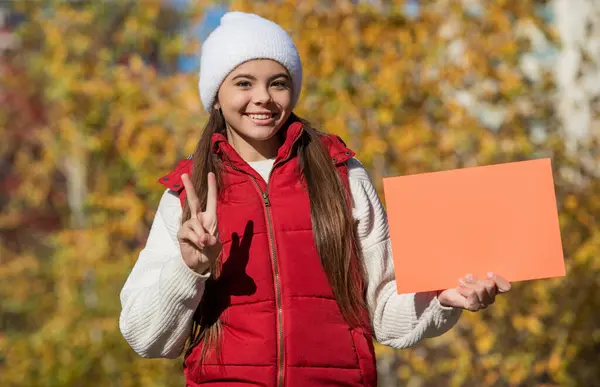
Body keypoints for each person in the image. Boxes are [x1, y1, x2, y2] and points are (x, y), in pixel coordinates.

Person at [119, 11, 511, 387]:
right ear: (216, 97)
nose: (263, 98)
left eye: (278, 82)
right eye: (243, 83)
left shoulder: (343, 174)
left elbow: (386, 317)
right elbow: (146, 337)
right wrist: (190, 269)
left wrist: (441, 298)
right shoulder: (188, 192)